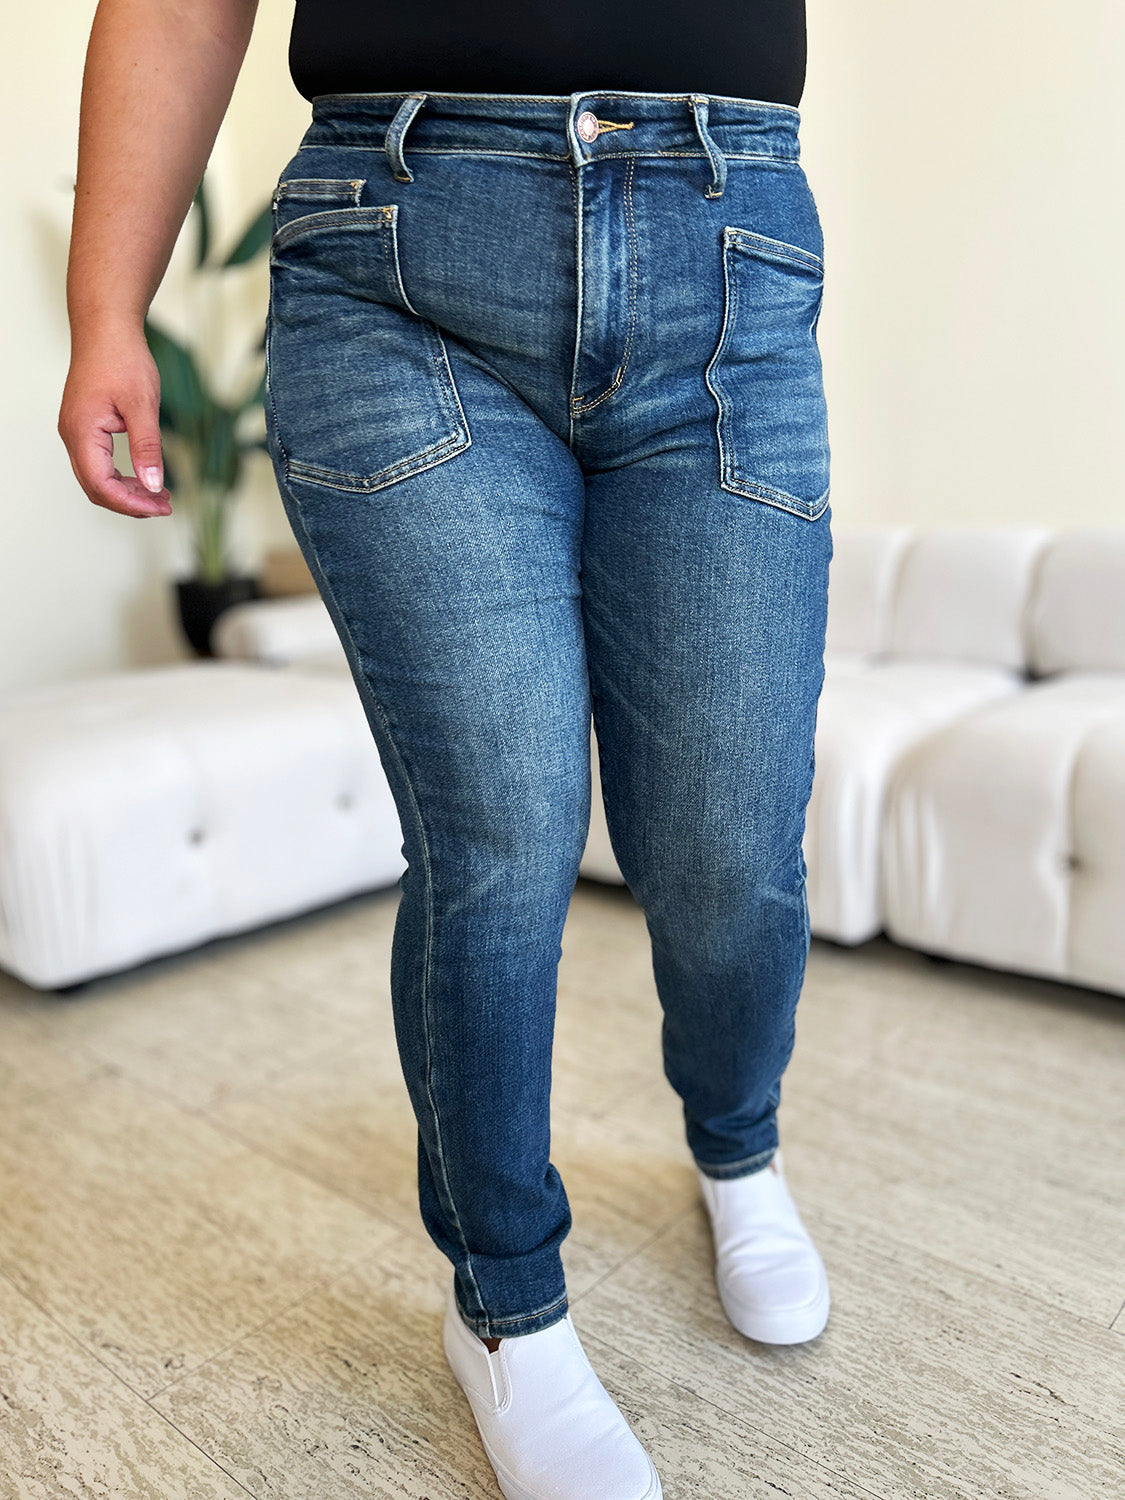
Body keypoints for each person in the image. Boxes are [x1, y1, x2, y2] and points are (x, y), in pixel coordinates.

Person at [58, 3, 833, 1496]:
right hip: (394, 248)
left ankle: (735, 1145)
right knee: (498, 828)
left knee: (727, 846)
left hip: (721, 238)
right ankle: (505, 1308)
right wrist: (110, 309)